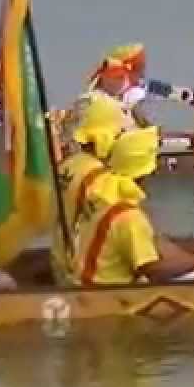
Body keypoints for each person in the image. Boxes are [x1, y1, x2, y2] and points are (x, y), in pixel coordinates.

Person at [69, 126, 194, 285]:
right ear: (146, 174)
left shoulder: (105, 198)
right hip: (105, 293)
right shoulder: (129, 216)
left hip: (87, 283)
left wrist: (192, 250)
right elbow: (152, 270)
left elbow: (152, 243)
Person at [52, 94, 129, 283]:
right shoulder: (100, 179)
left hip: (61, 268)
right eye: (119, 134)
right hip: (88, 279)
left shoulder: (67, 166)